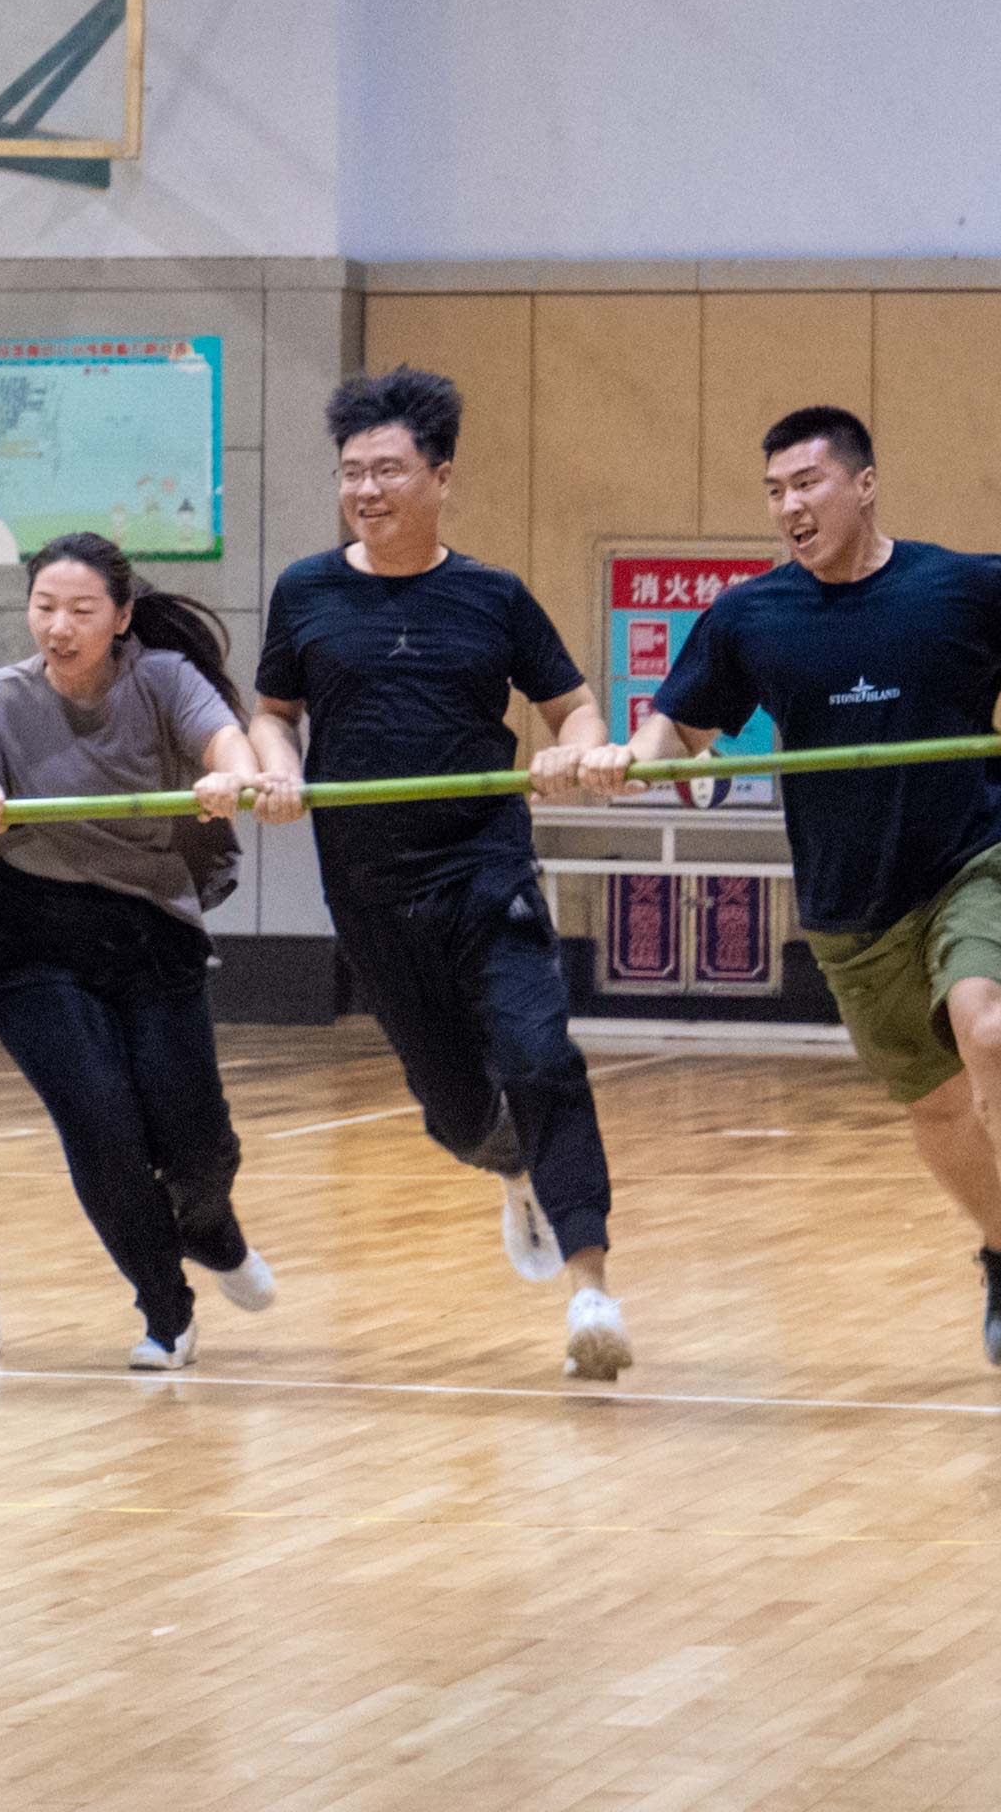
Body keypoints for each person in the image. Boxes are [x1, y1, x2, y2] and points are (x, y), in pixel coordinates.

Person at [586, 404, 1001, 1363]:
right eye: (774, 492)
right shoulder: (750, 616)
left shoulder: (962, 585)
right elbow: (679, 729)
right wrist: (628, 760)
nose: (788, 507)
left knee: (988, 1028)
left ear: (865, 483)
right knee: (936, 1106)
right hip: (851, 902)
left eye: (807, 484)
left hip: (973, 857)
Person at [242, 367, 633, 1381]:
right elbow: (273, 714)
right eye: (351, 472)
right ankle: (513, 1169)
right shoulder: (305, 591)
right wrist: (276, 770)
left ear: (440, 476)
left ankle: (591, 1291)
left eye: (387, 469)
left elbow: (575, 710)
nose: (365, 490)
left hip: (483, 869)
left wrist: (576, 753)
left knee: (540, 1058)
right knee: (457, 1113)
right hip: (369, 889)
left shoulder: (493, 597)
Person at [0, 533, 281, 1372]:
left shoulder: (162, 679)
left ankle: (210, 1225)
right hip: (31, 929)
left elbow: (228, 742)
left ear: (122, 617)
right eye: (44, 608)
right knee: (100, 1123)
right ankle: (165, 1311)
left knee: (195, 1140)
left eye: (81, 610)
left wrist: (230, 774)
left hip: (148, 928)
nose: (58, 627)